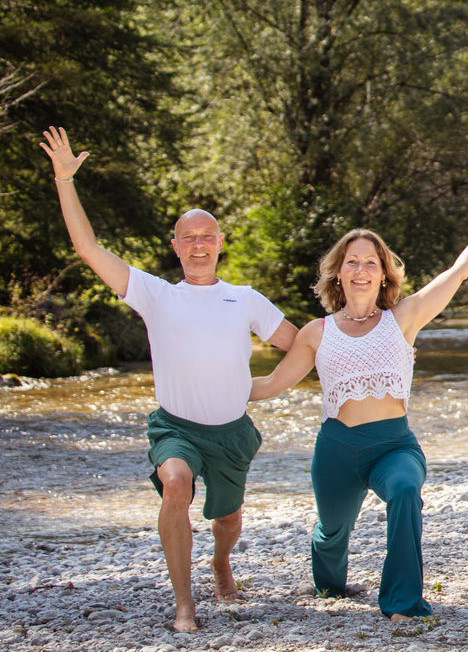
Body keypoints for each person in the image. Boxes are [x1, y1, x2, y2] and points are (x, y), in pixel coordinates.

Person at [40, 126, 299, 632]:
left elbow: (303, 343)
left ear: (220, 244)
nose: (199, 245)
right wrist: (65, 180)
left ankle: (221, 560)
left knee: (227, 521)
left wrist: (269, 386)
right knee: (175, 483)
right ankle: (185, 604)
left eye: (207, 237)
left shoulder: (245, 298)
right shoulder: (156, 294)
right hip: (175, 428)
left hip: (231, 432)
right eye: (189, 238)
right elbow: (89, 248)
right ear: (176, 246)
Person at [249, 175, 468, 621]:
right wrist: (210, 387)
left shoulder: (405, 318)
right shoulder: (316, 333)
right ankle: (330, 583)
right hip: (336, 448)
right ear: (339, 272)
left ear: (383, 272)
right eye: (352, 262)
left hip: (394, 445)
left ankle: (401, 602)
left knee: (404, 491)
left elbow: (458, 274)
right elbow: (270, 384)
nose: (361, 270)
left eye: (371, 262)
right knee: (332, 532)